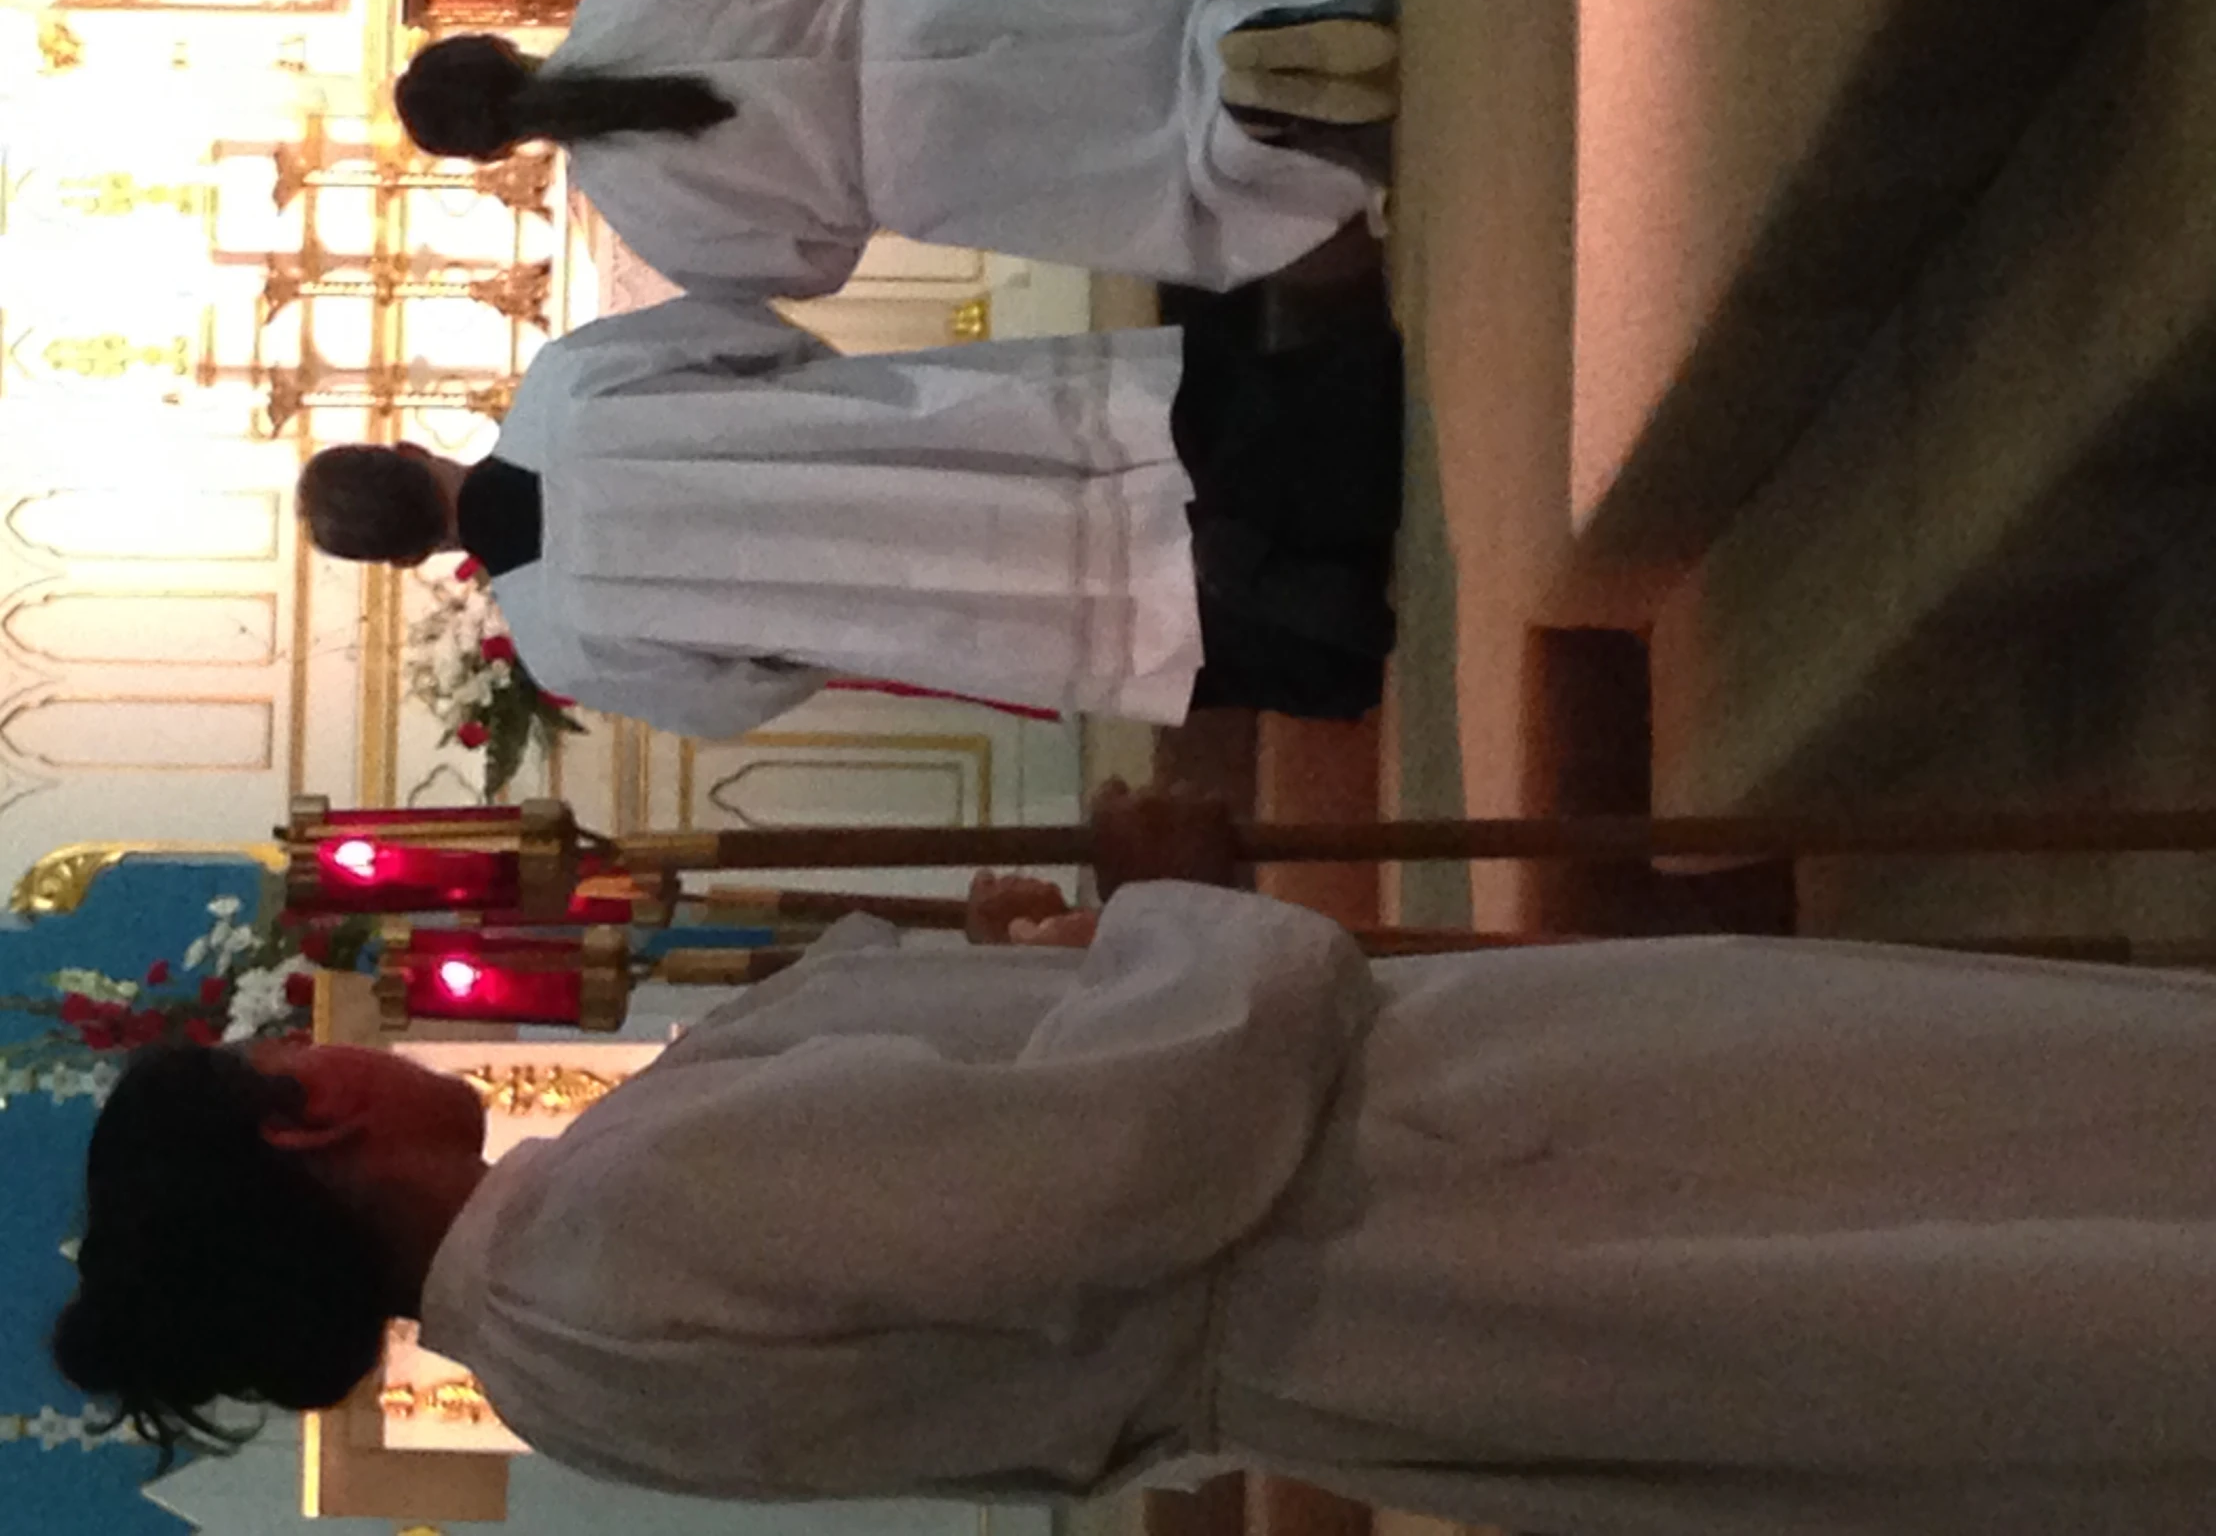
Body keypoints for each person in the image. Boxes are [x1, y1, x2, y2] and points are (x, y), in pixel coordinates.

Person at [54, 785, 2216, 1535]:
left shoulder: (558, 1377)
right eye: (306, 1046)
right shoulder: (607, 1218)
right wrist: (1178, 894)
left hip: (1404, 1350)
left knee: (1984, 1345)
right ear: (311, 1111)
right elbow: (1140, 1150)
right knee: (2020, 1178)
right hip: (1456, 1191)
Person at [296, 294, 1404, 734]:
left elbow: (740, 699)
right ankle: (1333, 456)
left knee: (1083, 597)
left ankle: (1307, 597)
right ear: (407, 447)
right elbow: (744, 331)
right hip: (901, 429)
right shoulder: (566, 382)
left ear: (410, 561)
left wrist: (822, 618)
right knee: (1111, 435)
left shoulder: (559, 637)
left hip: (899, 599)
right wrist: (820, 408)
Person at [392, 0, 1396, 298]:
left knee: (1154, 169)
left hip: (915, 169)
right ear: (492, 45)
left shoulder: (638, 210)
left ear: (491, 155)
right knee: (1158, 2)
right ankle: (1269, 25)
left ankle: (1285, 145)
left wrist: (848, 190)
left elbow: (809, 268)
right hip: (911, 20)